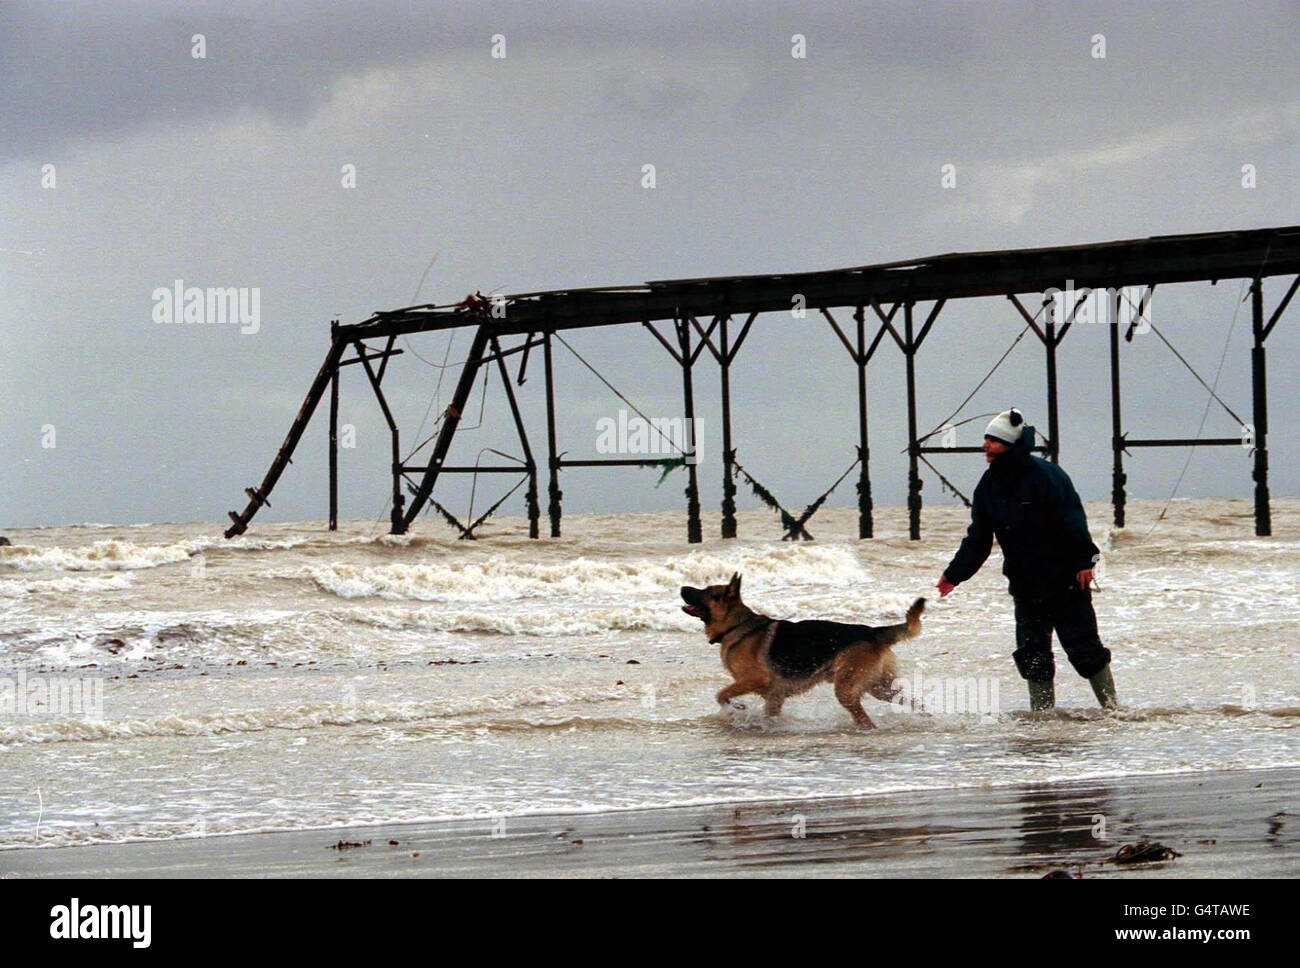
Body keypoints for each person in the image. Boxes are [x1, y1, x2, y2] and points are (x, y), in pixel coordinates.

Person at [936, 408, 1117, 711]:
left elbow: (1073, 520)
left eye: (993, 441)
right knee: (1033, 655)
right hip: (1025, 585)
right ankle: (1042, 724)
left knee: (1085, 650)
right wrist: (954, 575)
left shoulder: (1047, 476)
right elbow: (979, 538)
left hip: (1066, 580)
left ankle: (1113, 712)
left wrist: (1085, 561)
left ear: (1011, 444)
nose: (985, 446)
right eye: (986, 440)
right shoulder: (988, 486)